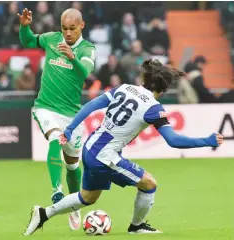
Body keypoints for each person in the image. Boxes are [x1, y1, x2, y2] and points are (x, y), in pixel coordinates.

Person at [23, 59, 223, 236]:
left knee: (88, 197)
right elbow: (173, 140)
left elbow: (90, 106)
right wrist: (207, 141)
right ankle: (137, 226)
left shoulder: (124, 88)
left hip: (91, 147)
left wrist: (70, 129)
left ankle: (43, 213)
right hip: (105, 156)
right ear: (162, 90)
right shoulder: (153, 108)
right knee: (149, 184)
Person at [17, 7, 95, 230]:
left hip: (72, 114)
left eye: (72, 28)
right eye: (64, 28)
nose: (67, 33)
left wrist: (73, 58)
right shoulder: (52, 39)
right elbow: (29, 42)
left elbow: (85, 74)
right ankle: (57, 191)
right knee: (55, 139)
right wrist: (25, 27)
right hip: (46, 107)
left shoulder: (87, 49)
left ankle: (74, 205)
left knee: (73, 165)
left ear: (82, 26)